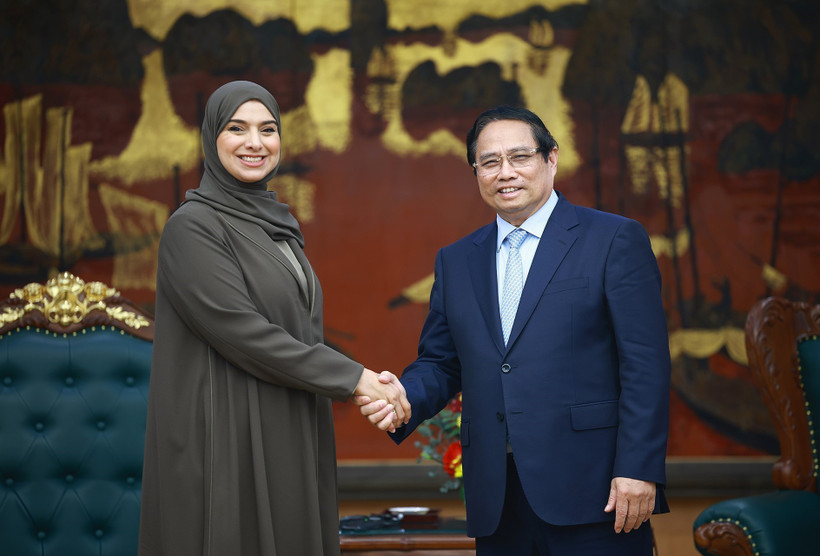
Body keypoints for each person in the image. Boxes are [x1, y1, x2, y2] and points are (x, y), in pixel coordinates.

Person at [357, 106, 671, 555]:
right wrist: (402, 399)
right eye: (489, 162)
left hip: (597, 492)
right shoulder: (457, 260)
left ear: (551, 159)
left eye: (519, 157)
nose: (505, 173)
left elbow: (646, 365)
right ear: (476, 173)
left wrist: (639, 469)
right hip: (497, 499)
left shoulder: (613, 239)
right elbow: (442, 362)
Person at [138, 80, 409, 556]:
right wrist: (354, 379)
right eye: (236, 128)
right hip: (226, 433)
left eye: (268, 129)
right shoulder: (193, 226)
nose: (255, 143)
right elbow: (242, 332)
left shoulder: (274, 224)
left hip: (284, 417)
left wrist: (362, 381)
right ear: (210, 138)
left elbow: (296, 331)